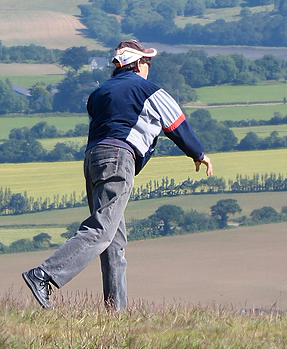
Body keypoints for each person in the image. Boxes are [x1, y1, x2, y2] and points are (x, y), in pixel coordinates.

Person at [22, 40, 212, 311]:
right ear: (138, 64)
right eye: (147, 62)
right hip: (118, 160)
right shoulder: (146, 89)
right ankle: (45, 275)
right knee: (100, 230)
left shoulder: (100, 92)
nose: (149, 67)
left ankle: (116, 314)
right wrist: (198, 153)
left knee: (114, 240)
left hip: (93, 160)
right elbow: (176, 122)